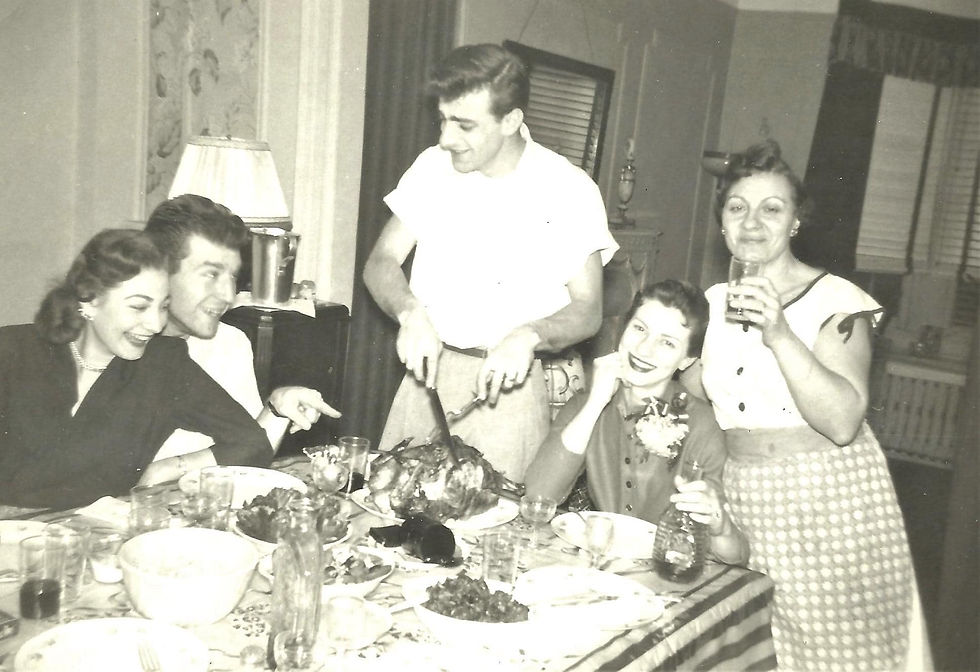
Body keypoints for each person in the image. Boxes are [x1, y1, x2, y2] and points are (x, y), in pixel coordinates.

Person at [690, 139, 923, 670]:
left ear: (796, 221)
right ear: (721, 221)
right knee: (757, 648)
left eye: (772, 209)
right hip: (745, 494)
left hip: (826, 502)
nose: (752, 223)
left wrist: (779, 331)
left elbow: (842, 421)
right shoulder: (716, 300)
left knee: (834, 654)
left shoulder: (838, 301)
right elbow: (717, 390)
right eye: (737, 207)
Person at [363, 43, 618, 480]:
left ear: (511, 120)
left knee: (495, 534)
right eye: (443, 119)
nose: (446, 138)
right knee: (391, 523)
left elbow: (588, 308)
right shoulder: (432, 167)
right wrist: (410, 314)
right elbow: (381, 262)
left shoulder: (569, 189)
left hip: (509, 396)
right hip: (427, 382)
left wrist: (530, 335)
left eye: (464, 125)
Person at [0, 229, 272, 510]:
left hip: (100, 539)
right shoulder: (11, 351)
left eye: (163, 306)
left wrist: (167, 468)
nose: (155, 325)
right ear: (90, 300)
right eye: (139, 306)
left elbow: (251, 442)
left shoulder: (163, 366)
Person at [525, 280, 748, 565]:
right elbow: (538, 495)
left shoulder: (702, 425)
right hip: (597, 561)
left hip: (665, 572)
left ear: (686, 360)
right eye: (640, 329)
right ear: (623, 330)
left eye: (667, 342)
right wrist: (595, 404)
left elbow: (736, 556)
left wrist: (719, 525)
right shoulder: (587, 404)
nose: (644, 349)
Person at [144, 194, 340, 459]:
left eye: (233, 276)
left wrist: (276, 409)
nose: (228, 294)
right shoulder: (123, 347)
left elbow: (246, 456)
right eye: (211, 274)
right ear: (160, 270)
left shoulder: (230, 343)